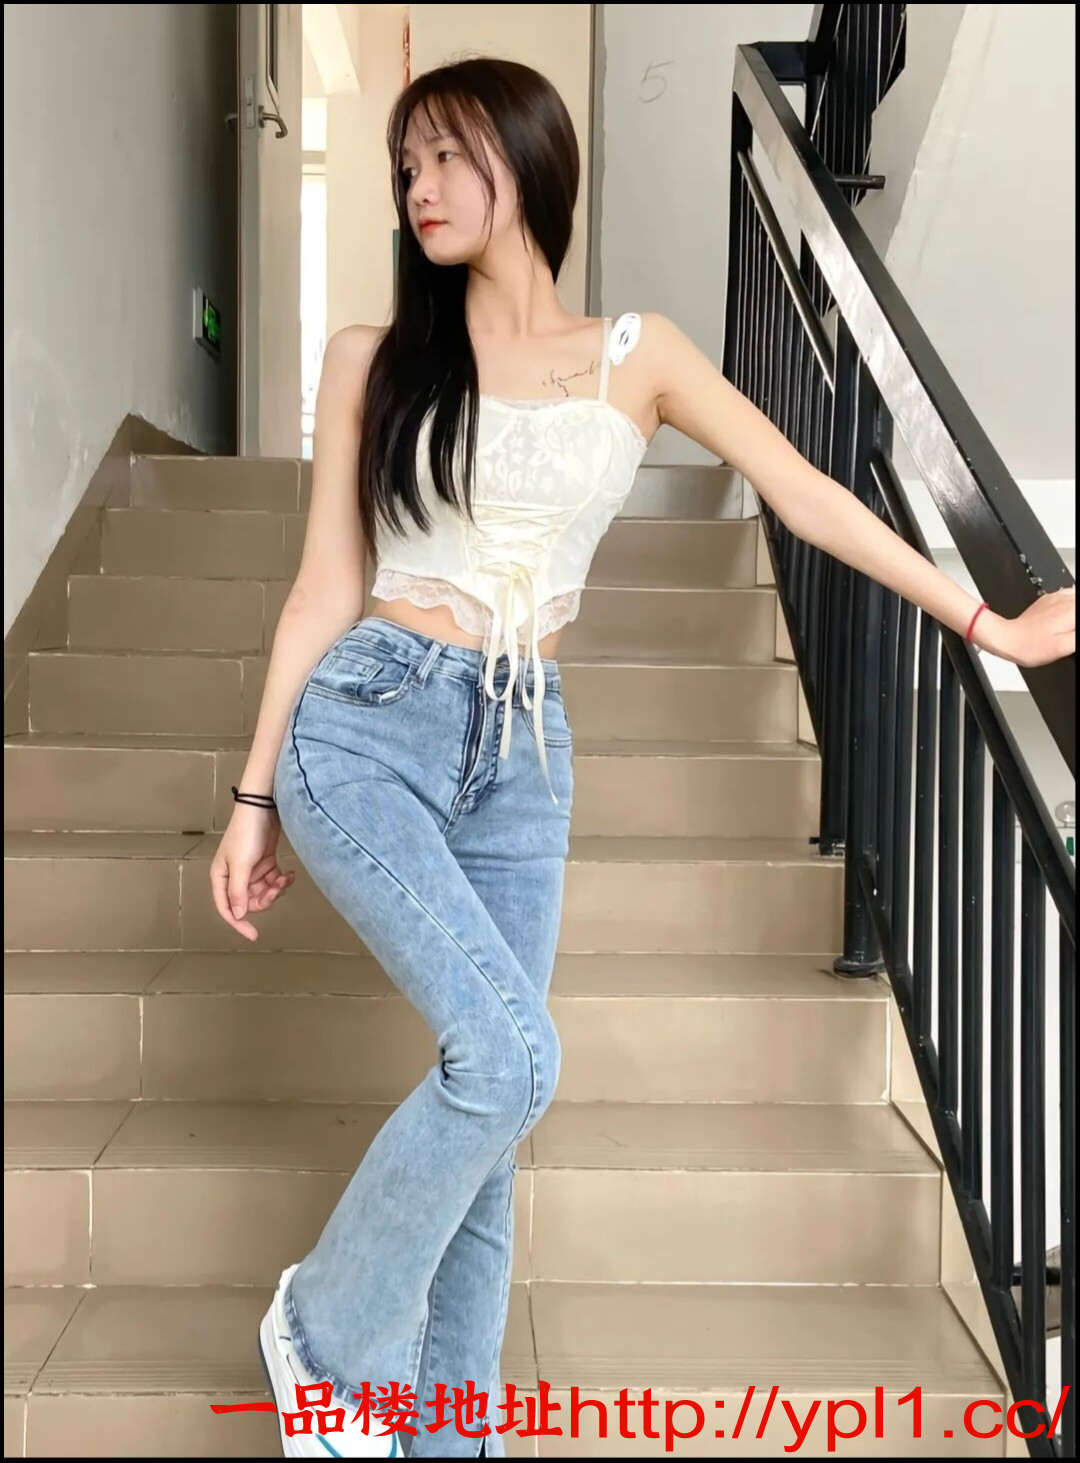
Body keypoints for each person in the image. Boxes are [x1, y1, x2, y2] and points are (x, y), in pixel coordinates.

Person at [209, 56, 1075, 1462]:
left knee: (496, 1108)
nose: (422, 186)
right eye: (407, 164)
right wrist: (254, 796)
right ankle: (323, 1336)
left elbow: (806, 493)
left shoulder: (638, 354)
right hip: (369, 720)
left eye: (451, 155)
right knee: (505, 1055)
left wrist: (990, 622)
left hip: (525, 751)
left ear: (530, 160)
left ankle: (450, 1441)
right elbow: (323, 586)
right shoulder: (374, 356)